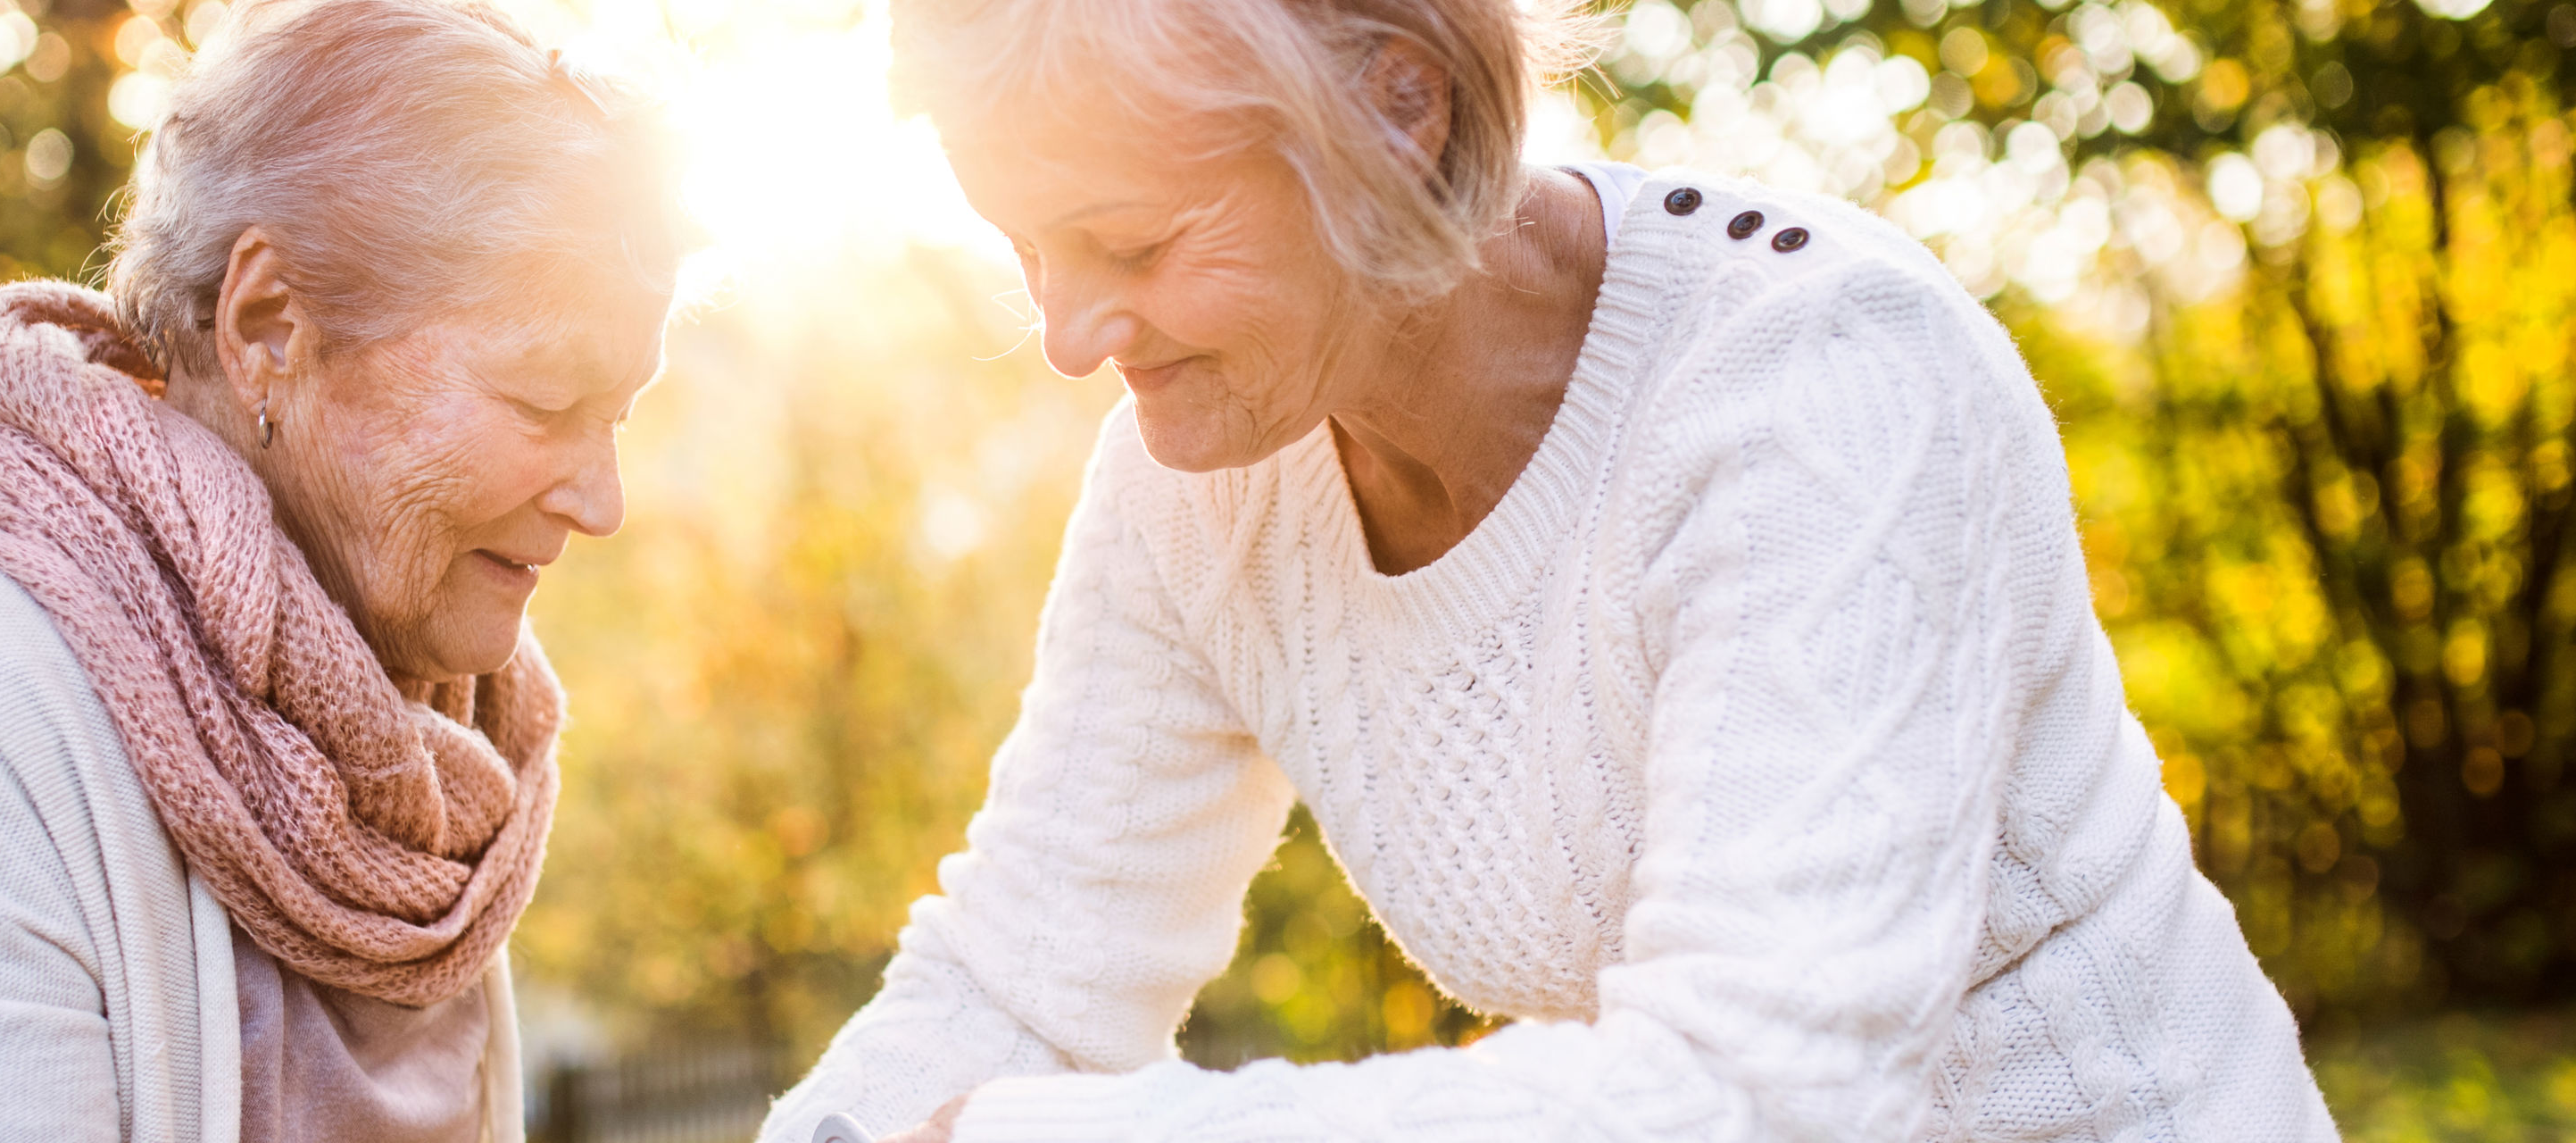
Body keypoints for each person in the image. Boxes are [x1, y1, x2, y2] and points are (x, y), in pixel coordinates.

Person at [760, 0, 2336, 1139]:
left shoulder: (1820, 387)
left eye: (1133, 244)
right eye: (1024, 247)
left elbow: (1766, 1093)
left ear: (1401, 106)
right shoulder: (1199, 488)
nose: (1065, 337)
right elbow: (1026, 980)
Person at [0, 0, 677, 1138]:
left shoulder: (431, 761)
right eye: (545, 400)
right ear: (270, 322)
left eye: (616, 416)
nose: (604, 502)